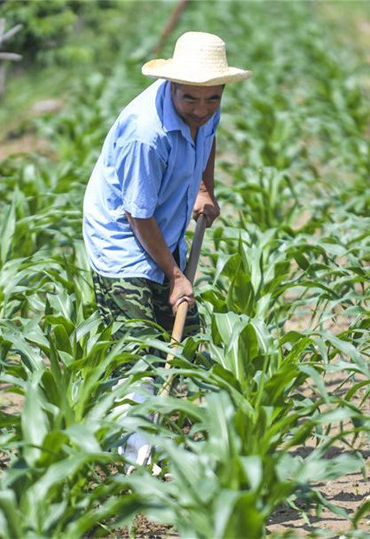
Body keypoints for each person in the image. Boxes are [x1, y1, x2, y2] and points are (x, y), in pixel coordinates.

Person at [82, 31, 250, 468]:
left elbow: (207, 134)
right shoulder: (146, 134)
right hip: (123, 238)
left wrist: (203, 187)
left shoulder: (205, 103)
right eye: (191, 99)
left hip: (164, 223)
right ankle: (132, 457)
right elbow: (138, 216)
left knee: (185, 343)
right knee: (137, 350)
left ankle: (177, 441)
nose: (202, 110)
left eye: (212, 99)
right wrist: (175, 275)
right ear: (172, 86)